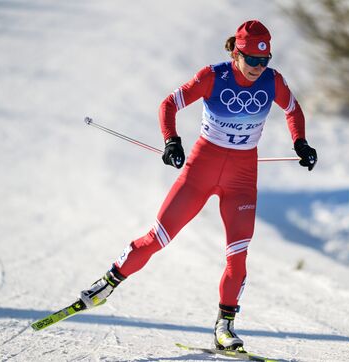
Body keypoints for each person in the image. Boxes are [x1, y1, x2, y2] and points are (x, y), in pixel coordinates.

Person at [79, 20, 318, 351]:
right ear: (237, 52)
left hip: (243, 178)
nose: (258, 68)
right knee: (158, 238)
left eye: (265, 61)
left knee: (238, 256)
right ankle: (107, 283)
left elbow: (293, 110)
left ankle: (225, 326)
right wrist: (171, 141)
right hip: (201, 169)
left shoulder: (272, 81)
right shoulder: (213, 76)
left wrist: (301, 143)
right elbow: (169, 104)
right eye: (252, 60)